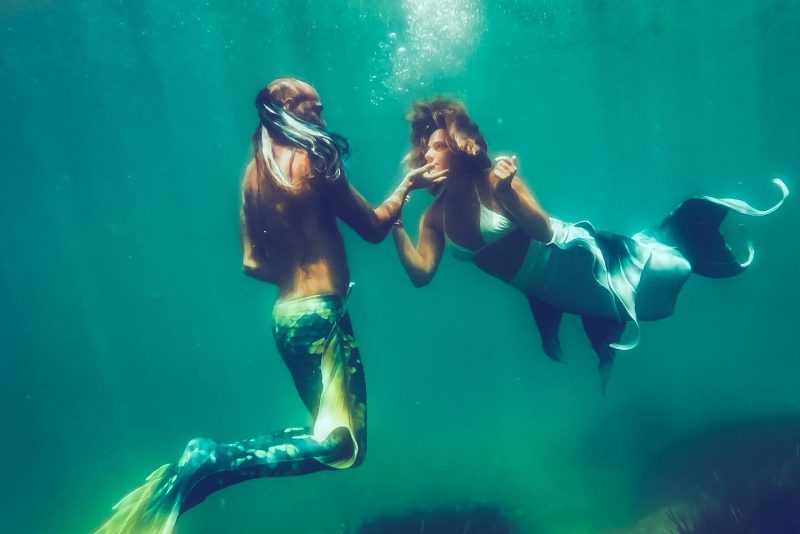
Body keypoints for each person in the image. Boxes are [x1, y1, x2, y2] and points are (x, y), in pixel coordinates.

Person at [94, 78, 444, 534]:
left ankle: (209, 468)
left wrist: (305, 280)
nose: (322, 117)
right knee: (342, 446)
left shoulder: (253, 173)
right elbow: (375, 228)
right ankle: (212, 459)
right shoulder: (319, 156)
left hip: (286, 318)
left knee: (325, 434)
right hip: (322, 319)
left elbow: (250, 262)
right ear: (285, 107)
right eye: (314, 108)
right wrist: (408, 186)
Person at [390, 98, 788, 391]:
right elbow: (421, 274)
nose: (428, 152)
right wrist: (395, 224)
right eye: (425, 146)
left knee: (670, 267)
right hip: (546, 290)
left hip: (573, 258)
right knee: (636, 308)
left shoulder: (493, 180)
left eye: (438, 144)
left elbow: (543, 232)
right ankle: (712, 241)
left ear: (461, 145)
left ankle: (711, 229)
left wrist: (508, 191)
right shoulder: (432, 217)